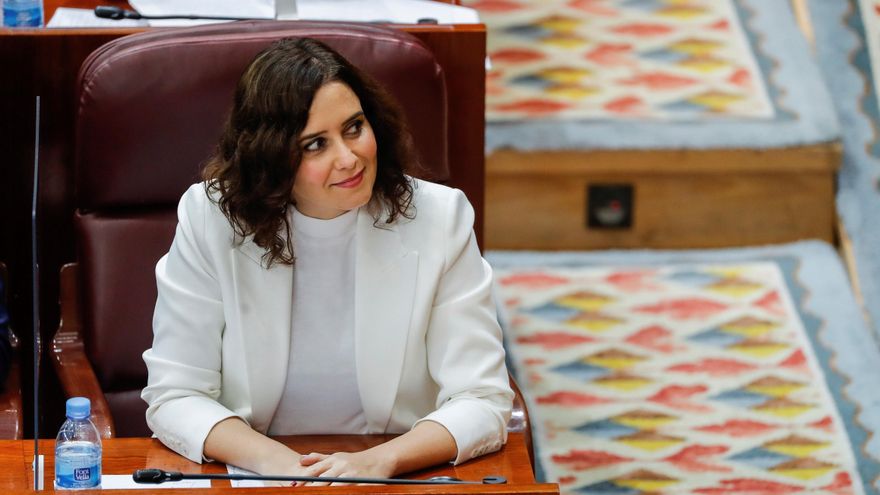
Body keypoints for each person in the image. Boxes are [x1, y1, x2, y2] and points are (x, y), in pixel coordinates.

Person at [141, 37, 513, 482]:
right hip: (257, 473)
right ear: (272, 155)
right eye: (315, 144)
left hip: (395, 470)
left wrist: (379, 462)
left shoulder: (439, 217)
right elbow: (176, 394)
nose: (348, 158)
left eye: (354, 127)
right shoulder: (210, 218)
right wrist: (282, 467)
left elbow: (482, 397)